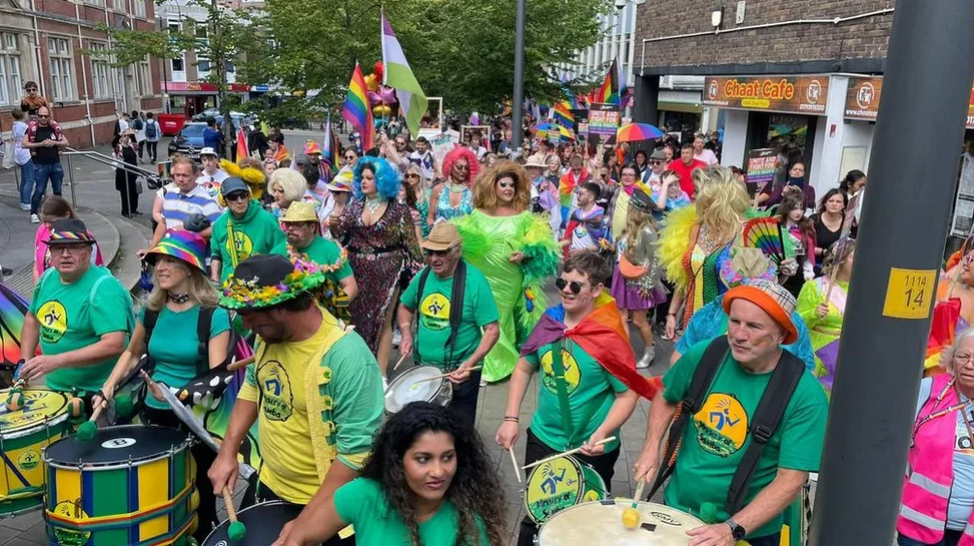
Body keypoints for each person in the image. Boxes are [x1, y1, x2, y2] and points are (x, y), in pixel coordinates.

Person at [633, 279, 828, 546]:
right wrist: (651, 446)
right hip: (677, 512)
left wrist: (731, 528)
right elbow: (666, 397)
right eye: (734, 321)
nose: (738, 334)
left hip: (749, 531)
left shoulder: (805, 394)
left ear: (782, 334)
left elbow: (791, 481)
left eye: (753, 326)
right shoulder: (706, 354)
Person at [208, 254, 383, 542]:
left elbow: (356, 454)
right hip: (269, 487)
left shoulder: (347, 357)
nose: (248, 328)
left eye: (254, 321)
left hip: (328, 506)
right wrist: (228, 452)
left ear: (280, 309)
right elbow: (253, 387)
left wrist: (306, 522)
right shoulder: (268, 337)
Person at [496, 251, 657, 546]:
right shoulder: (549, 322)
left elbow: (627, 394)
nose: (565, 290)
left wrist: (602, 433)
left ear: (596, 290)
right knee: (538, 516)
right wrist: (510, 418)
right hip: (544, 439)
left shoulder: (607, 334)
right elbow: (523, 365)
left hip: (591, 447)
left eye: (575, 286)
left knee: (588, 523)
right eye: (562, 282)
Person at [94, 230, 229, 542]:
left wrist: (176, 394)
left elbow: (218, 376)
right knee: (157, 492)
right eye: (157, 262)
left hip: (196, 420)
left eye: (170, 260)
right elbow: (131, 352)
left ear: (191, 267)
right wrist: (108, 387)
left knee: (199, 498)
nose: (161, 268)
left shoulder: (213, 315)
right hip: (153, 415)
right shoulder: (151, 310)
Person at [273, 402, 505, 546]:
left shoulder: (469, 526)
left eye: (447, 457)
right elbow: (300, 537)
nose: (438, 471)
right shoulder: (363, 494)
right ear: (397, 461)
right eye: (423, 459)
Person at [452, 160, 559, 382]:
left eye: (511, 185)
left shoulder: (524, 216)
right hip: (482, 275)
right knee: (483, 316)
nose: (508, 189)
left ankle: (496, 366)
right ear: (493, 187)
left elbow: (542, 247)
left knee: (500, 316)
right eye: (503, 185)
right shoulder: (478, 214)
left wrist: (524, 253)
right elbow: (465, 241)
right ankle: (493, 362)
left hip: (509, 277)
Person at [19, 219, 135, 403]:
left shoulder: (104, 288)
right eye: (58, 248)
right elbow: (32, 319)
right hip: (56, 391)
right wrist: (23, 363)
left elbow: (115, 344)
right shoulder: (47, 278)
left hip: (99, 395)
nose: (65, 254)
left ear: (88, 252)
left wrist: (56, 360)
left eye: (73, 247)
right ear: (50, 253)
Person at [398, 224, 499, 424]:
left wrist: (471, 363)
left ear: (456, 252)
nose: (434, 259)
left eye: (441, 253)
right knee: (425, 430)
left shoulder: (475, 281)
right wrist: (406, 333)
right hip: (425, 369)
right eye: (430, 252)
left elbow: (492, 330)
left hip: (459, 374)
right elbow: (405, 307)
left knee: (458, 433)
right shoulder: (424, 276)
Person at [333, 157, 422, 376]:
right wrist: (334, 224)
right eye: (362, 177)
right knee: (355, 319)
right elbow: (342, 236)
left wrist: (416, 279)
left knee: (382, 321)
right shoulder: (355, 204)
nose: (364, 182)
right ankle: (357, 369)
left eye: (369, 178)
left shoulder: (398, 209)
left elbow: (411, 245)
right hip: (356, 269)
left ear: (381, 180)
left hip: (388, 272)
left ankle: (381, 376)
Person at [671, 246, 815, 370]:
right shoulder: (709, 314)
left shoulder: (707, 313)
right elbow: (808, 372)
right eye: (735, 321)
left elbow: (677, 364)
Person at [898, 327, 974, 546]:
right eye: (963, 356)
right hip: (918, 524)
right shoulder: (929, 390)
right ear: (952, 358)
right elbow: (890, 439)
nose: (969, 365)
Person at [659, 166, 751, 339]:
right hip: (692, 320)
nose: (692, 196)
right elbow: (687, 277)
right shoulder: (697, 228)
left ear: (714, 196)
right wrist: (672, 314)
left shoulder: (744, 232)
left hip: (725, 326)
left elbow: (757, 284)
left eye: (697, 191)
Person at [611, 188, 667, 368]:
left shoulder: (647, 231)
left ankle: (649, 352)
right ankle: (623, 353)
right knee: (621, 316)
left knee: (639, 321)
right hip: (623, 276)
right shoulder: (630, 229)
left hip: (639, 281)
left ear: (634, 209)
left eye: (629, 206)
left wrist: (648, 284)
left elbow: (657, 259)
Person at [275, 202, 357, 321]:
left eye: (297, 224)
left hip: (323, 319)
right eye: (287, 224)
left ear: (312, 227)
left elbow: (351, 286)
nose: (290, 228)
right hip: (288, 318)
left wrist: (334, 309)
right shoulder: (279, 250)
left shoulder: (330, 250)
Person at [797, 239, 855, 396]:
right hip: (817, 352)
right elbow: (797, 322)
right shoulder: (814, 287)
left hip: (846, 351)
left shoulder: (861, 291)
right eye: (853, 255)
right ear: (841, 260)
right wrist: (814, 313)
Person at [210, 177, 286, 283]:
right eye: (233, 197)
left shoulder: (267, 220)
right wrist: (215, 280)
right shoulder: (219, 224)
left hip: (262, 288)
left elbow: (282, 250)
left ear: (249, 195)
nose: (240, 201)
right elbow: (216, 254)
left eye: (243, 195)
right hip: (229, 288)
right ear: (223, 200)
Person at [144, 156, 222, 252]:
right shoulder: (169, 195)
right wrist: (150, 249)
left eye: (185, 175)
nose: (180, 179)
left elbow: (219, 228)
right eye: (177, 175)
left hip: (196, 260)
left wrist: (189, 235)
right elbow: (163, 223)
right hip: (172, 256)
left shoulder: (206, 200)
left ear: (196, 175)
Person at [33, 196, 104, 283]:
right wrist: (39, 292)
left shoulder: (83, 238)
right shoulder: (42, 231)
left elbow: (90, 273)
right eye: (44, 221)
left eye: (52, 221)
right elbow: (37, 266)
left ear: (67, 215)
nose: (47, 225)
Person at [23, 105, 69, 224]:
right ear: (37, 116)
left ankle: (58, 212)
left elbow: (66, 142)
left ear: (49, 116)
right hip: (40, 165)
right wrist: (41, 144)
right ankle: (34, 212)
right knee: (39, 190)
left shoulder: (54, 128)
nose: (43, 118)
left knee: (57, 190)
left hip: (55, 164)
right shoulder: (32, 129)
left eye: (46, 116)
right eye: (41, 116)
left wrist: (53, 142)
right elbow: (24, 144)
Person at [779, 194, 817, 298]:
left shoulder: (806, 228)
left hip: (797, 276)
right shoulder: (776, 226)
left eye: (801, 208)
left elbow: (808, 255)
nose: (798, 212)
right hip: (777, 274)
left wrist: (808, 273)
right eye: (794, 208)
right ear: (787, 208)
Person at [429, 147, 479, 226]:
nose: (463, 171)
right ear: (450, 167)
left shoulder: (472, 192)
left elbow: (477, 220)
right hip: (441, 236)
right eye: (459, 167)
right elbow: (430, 217)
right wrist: (433, 226)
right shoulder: (438, 190)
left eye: (466, 168)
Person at [561, 182, 607, 260]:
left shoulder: (600, 216)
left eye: (581, 194)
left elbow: (603, 245)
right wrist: (554, 245)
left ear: (590, 198)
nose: (577, 197)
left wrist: (583, 251)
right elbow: (569, 239)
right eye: (578, 194)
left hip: (590, 262)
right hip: (574, 259)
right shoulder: (576, 214)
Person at [810, 189, 847, 274]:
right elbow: (805, 246)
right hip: (814, 266)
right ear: (825, 203)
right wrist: (825, 252)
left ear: (844, 205)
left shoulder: (848, 222)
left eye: (838, 202)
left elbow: (852, 245)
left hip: (838, 269)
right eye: (831, 201)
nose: (834, 204)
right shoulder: (814, 220)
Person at [525, 155, 561, 235]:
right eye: (530, 168)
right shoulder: (522, 186)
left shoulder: (548, 185)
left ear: (540, 170)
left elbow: (556, 208)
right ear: (526, 170)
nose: (532, 171)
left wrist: (551, 227)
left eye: (535, 168)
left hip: (545, 228)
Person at [10, 108, 35, 211]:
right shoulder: (24, 126)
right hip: (26, 153)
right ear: (23, 114)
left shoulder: (15, 125)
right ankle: (27, 202)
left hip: (18, 152)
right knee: (30, 179)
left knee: (24, 179)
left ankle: (23, 201)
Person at [113, 129, 140, 217]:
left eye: (128, 136)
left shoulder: (132, 146)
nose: (126, 138)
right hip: (123, 173)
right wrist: (120, 134)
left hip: (133, 171)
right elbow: (113, 143)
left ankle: (133, 209)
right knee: (125, 192)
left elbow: (136, 143)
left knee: (134, 191)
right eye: (125, 136)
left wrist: (131, 133)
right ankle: (125, 211)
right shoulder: (119, 147)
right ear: (121, 138)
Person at [558, 154, 590, 228]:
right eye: (574, 170)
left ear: (582, 166)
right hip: (569, 208)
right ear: (570, 167)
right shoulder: (565, 178)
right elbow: (561, 191)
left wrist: (581, 190)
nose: (576, 172)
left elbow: (591, 192)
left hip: (583, 209)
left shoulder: (587, 177)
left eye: (578, 169)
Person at [404, 163, 432, 239]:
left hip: (428, 234)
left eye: (413, 175)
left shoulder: (429, 194)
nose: (410, 178)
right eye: (407, 176)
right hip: (410, 235)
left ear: (419, 177)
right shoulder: (404, 195)